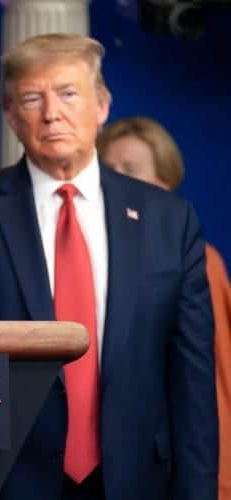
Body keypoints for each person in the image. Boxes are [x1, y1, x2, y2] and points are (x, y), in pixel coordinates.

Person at [0, 34, 217, 500]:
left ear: (102, 106)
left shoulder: (168, 220)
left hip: (137, 480)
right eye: (32, 98)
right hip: (2, 482)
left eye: (69, 94)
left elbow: (193, 384)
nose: (52, 113)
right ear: (10, 116)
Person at [99, 116, 231, 500]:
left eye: (131, 171)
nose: (117, 182)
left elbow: (213, 381)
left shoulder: (200, 262)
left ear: (166, 184)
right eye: (109, 170)